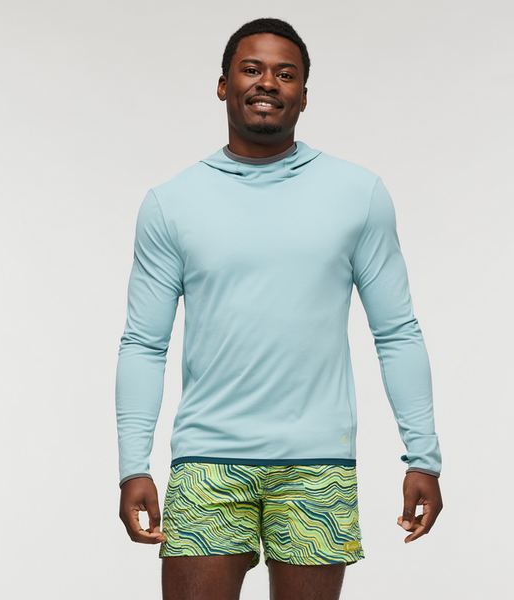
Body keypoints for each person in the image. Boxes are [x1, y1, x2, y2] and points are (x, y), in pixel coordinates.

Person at [116, 17, 443, 600]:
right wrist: (132, 466)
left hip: (318, 466)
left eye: (285, 74)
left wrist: (423, 457)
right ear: (223, 85)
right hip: (208, 464)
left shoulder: (357, 194)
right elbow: (144, 343)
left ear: (304, 95)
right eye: (252, 69)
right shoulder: (171, 204)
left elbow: (396, 331)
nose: (267, 82)